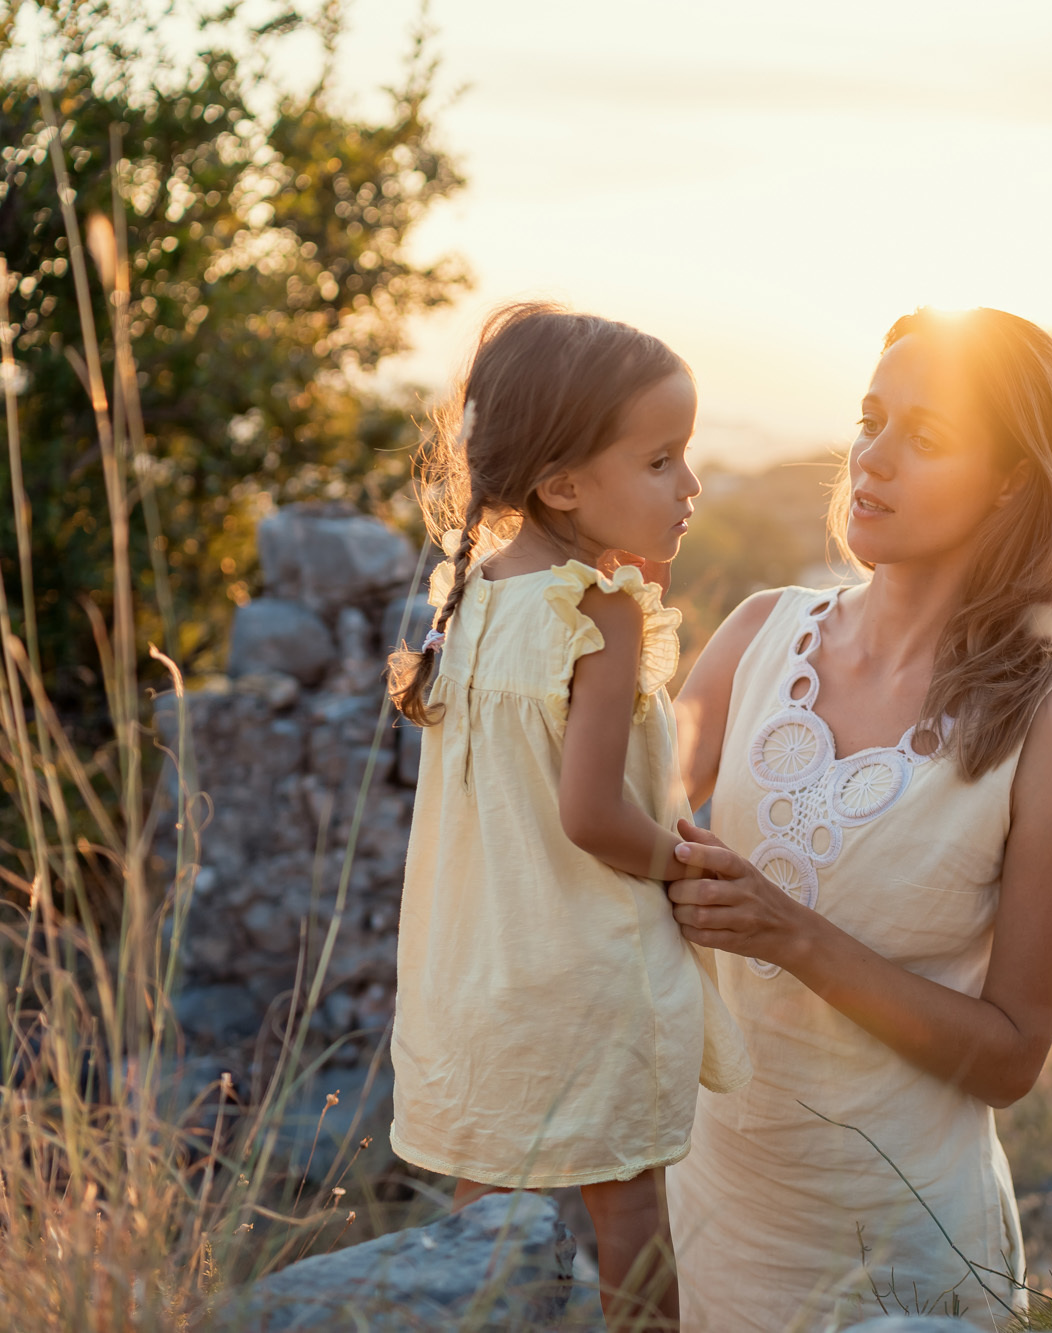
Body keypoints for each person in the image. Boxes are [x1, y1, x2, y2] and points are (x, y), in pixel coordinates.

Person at [664, 307, 1052, 1330]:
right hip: (708, 1212)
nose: (872, 458)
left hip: (903, 1246)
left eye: (927, 436)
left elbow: (1008, 1058)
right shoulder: (755, 634)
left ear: (1011, 478)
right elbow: (615, 841)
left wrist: (793, 936)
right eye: (871, 418)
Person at [384, 302, 749, 1326]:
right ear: (561, 484)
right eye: (662, 460)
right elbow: (590, 815)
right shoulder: (600, 609)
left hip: (478, 973)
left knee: (485, 1220)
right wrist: (685, 862)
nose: (691, 486)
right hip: (586, 972)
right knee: (627, 1204)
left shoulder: (475, 599)